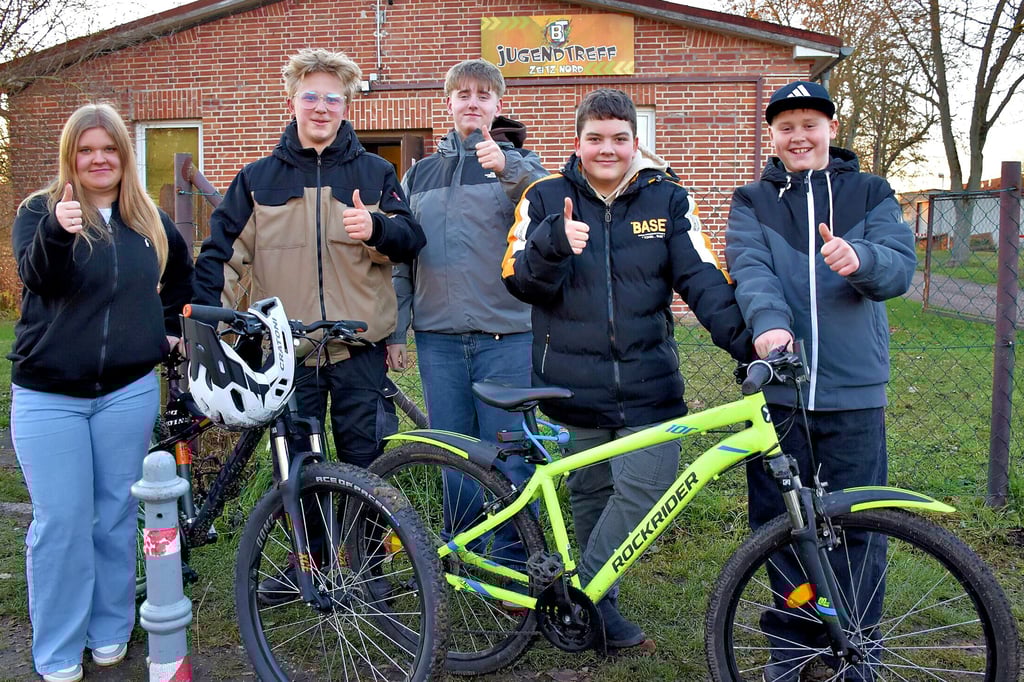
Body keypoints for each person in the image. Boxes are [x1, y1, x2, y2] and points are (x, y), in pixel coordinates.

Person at [502, 88, 752, 650]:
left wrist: (750, 347)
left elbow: (705, 280)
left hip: (648, 386)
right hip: (571, 386)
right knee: (590, 498)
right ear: (577, 142)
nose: (607, 148)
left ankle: (576, 598)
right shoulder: (544, 197)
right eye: (595, 138)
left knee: (646, 488)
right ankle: (600, 616)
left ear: (635, 143)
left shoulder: (667, 200)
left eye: (619, 138)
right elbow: (519, 279)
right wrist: (552, 243)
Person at [192, 48, 424, 601]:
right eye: (311, 96)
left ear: (346, 107)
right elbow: (219, 258)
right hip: (287, 354)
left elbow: (412, 241)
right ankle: (312, 567)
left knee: (367, 464)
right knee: (298, 468)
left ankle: (370, 570)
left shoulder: (375, 172)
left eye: (333, 98)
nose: (322, 107)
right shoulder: (256, 180)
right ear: (292, 99)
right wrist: (208, 331)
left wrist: (377, 226)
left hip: (356, 348)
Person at [724, 80, 916, 681]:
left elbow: (899, 265)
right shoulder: (752, 199)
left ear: (830, 129)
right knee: (781, 532)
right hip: (782, 396)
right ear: (773, 137)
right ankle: (795, 650)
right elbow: (751, 272)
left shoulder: (871, 192)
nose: (799, 136)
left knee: (859, 530)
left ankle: (856, 652)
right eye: (786, 127)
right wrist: (771, 330)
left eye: (810, 124)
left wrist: (862, 260)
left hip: (854, 395)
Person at [9, 102, 194, 682]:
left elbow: (183, 278)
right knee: (62, 521)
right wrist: (58, 234)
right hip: (49, 396)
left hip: (126, 392)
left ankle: (110, 629)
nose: (98, 159)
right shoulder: (41, 211)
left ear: (124, 156)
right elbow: (39, 280)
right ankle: (59, 649)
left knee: (115, 516)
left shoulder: (147, 221)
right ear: (72, 156)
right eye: (86, 149)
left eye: (108, 149)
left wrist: (167, 331)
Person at [387, 59, 547, 560]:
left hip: (507, 336)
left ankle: (517, 559)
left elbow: (548, 205)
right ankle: (464, 555)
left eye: (483, 94)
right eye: (463, 94)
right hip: (439, 340)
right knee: (452, 456)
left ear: (498, 105)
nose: (472, 102)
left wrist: (509, 167)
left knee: (510, 452)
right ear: (449, 103)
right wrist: (397, 331)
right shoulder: (418, 176)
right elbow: (402, 257)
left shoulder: (519, 163)